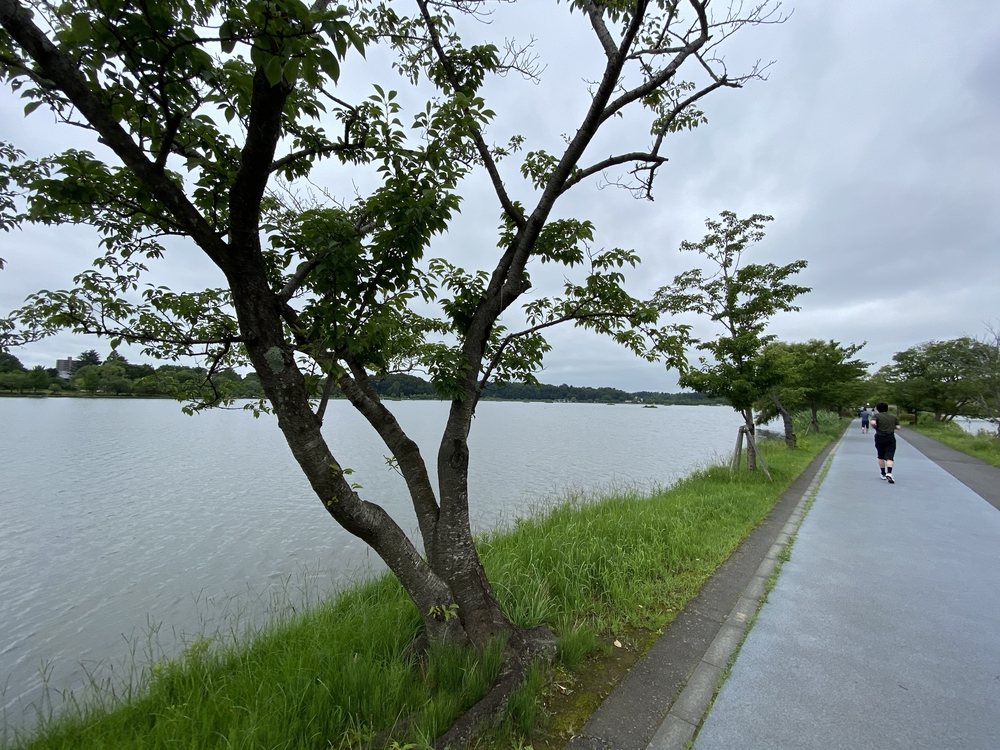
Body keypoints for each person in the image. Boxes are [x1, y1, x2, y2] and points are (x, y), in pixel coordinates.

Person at [871, 402, 901, 483]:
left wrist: (875, 426)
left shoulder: (876, 416)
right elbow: (898, 427)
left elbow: (873, 423)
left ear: (877, 409)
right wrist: (891, 426)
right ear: (887, 408)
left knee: (880, 455)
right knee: (890, 456)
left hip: (879, 437)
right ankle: (889, 473)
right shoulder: (893, 417)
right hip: (890, 437)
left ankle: (883, 473)